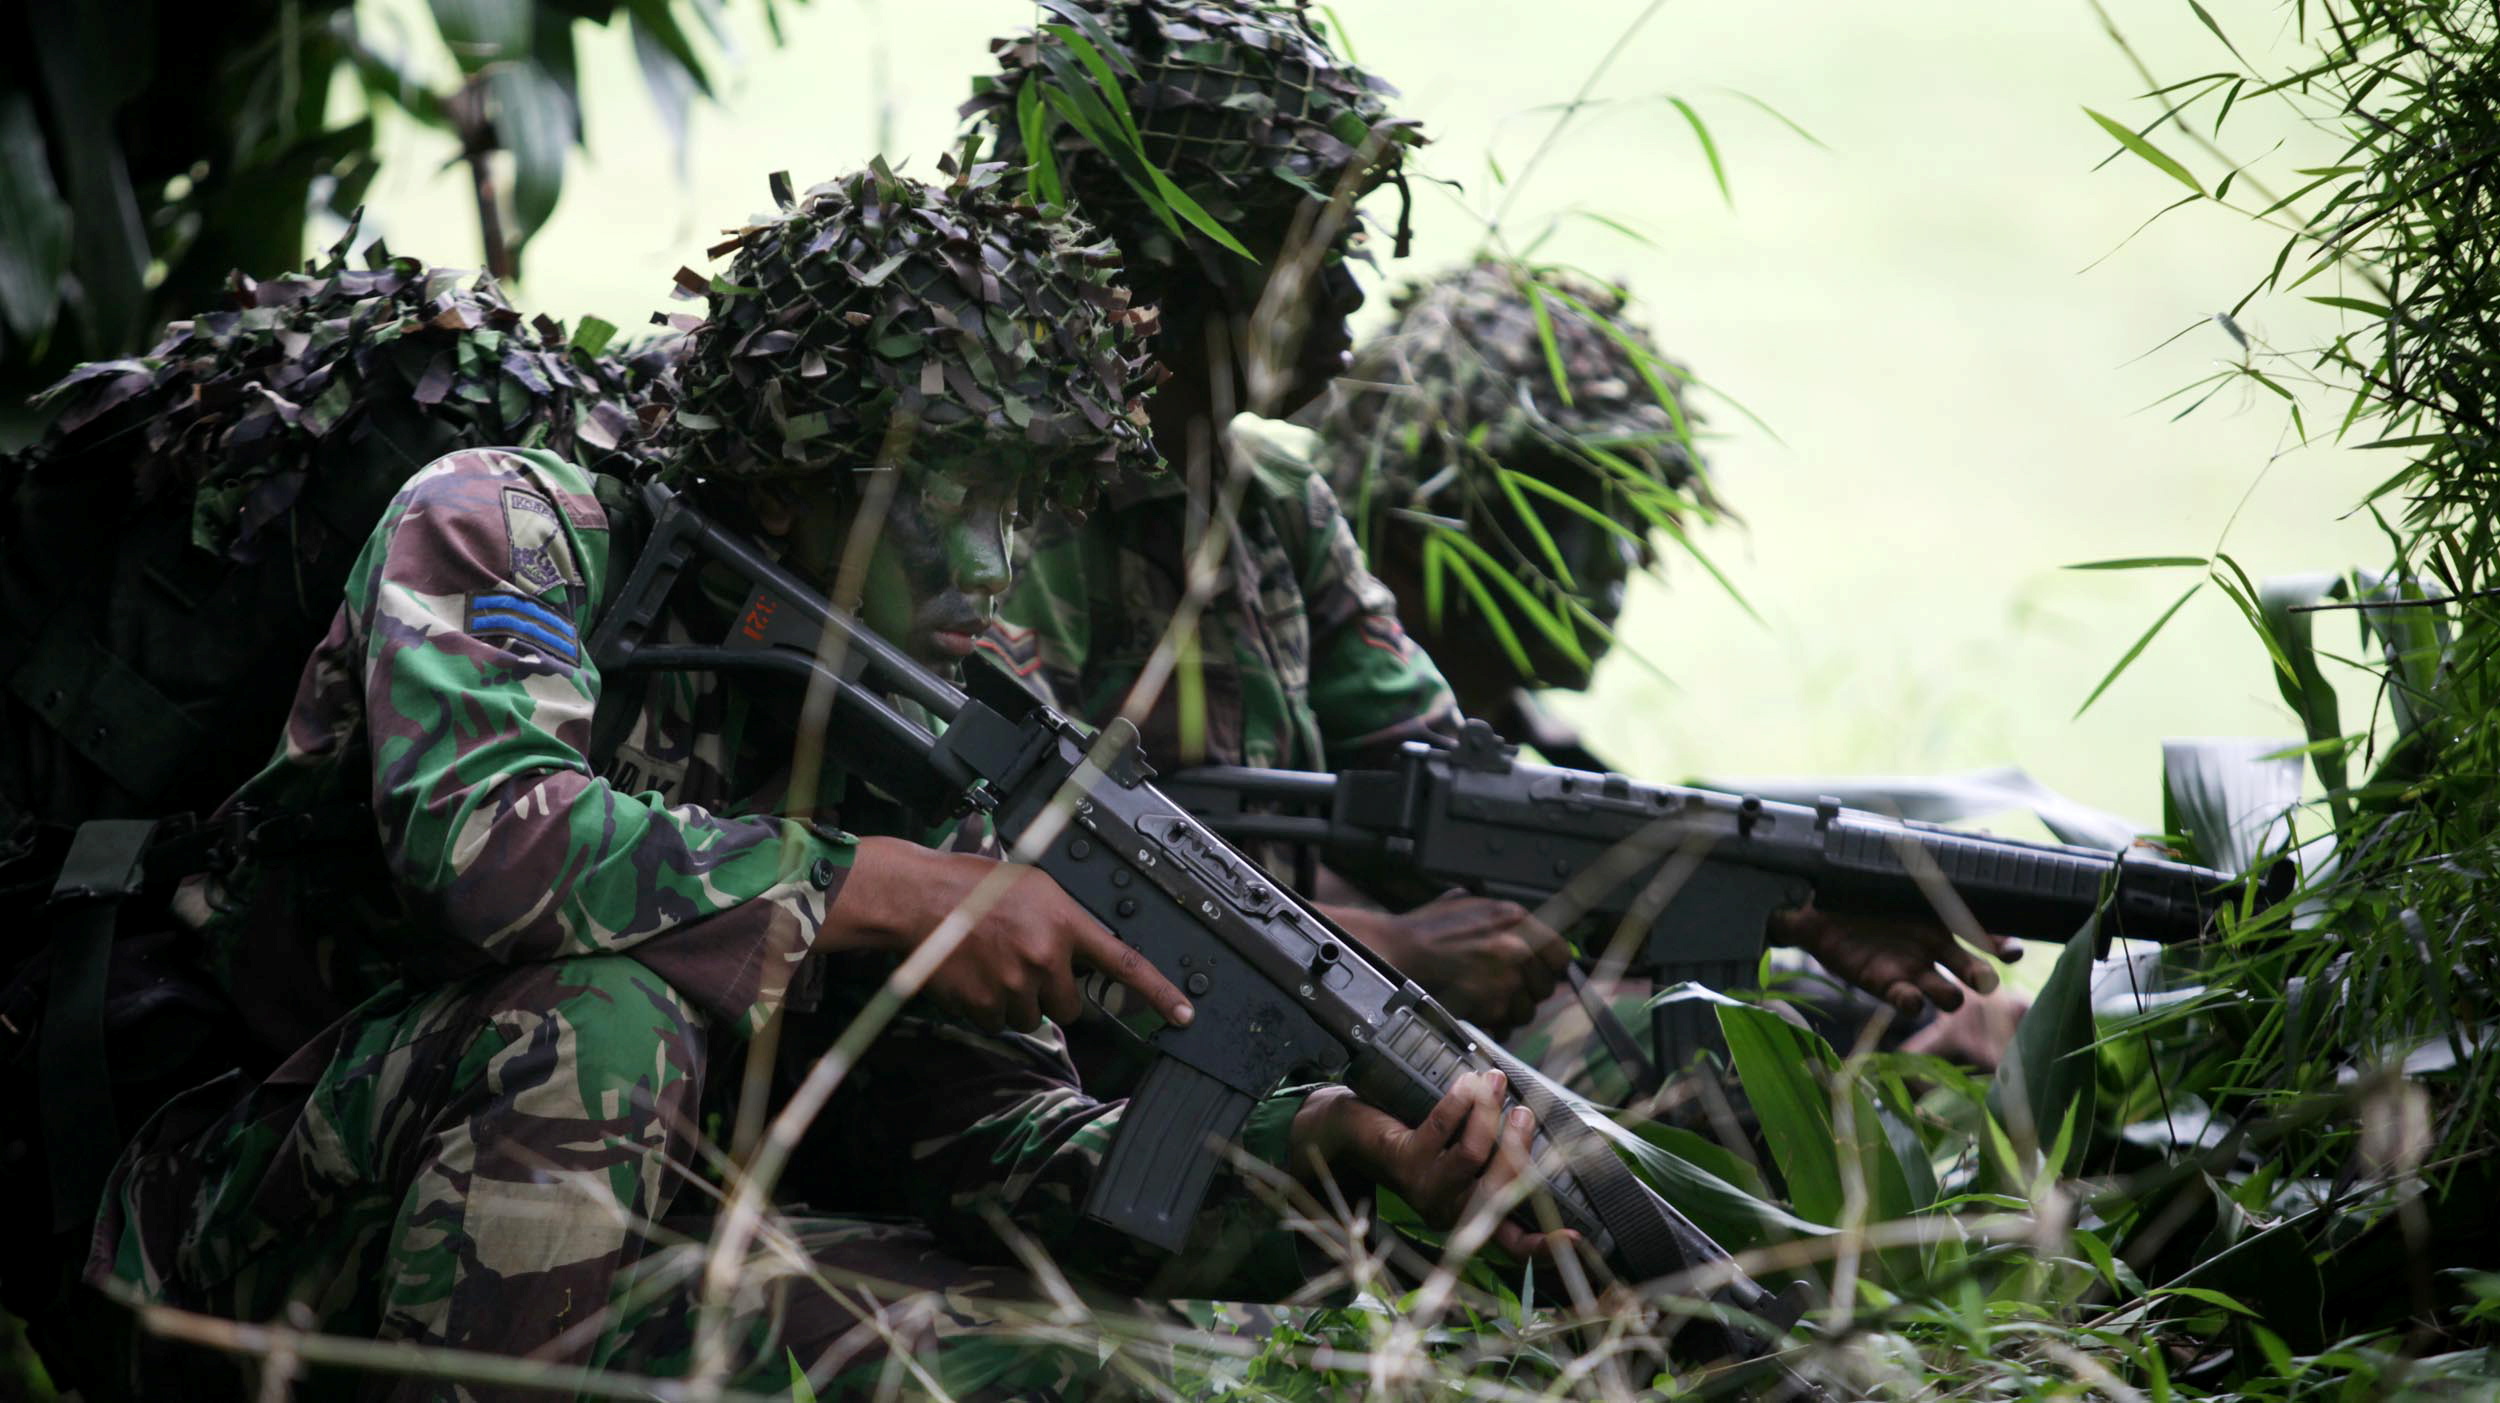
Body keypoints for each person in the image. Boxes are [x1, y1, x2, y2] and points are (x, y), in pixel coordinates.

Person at [82, 163, 1557, 1402]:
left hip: (656, 1243)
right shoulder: (515, 524)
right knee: (598, 1014)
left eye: (1026, 504)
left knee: (1094, 1366)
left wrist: (1313, 1157)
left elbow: (984, 1136)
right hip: (277, 1215)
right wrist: (883, 890)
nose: (989, 565)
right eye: (947, 499)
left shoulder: (925, 710)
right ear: (791, 474)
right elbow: (488, 839)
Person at [970, 3, 2015, 1061]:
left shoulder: (1270, 499)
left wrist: (1783, 899)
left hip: (1266, 1044)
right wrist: (1381, 946)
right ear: (1176, 265)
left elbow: (1463, 796)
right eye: (1308, 250)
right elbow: (1003, 880)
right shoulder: (1019, 523)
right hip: (1067, 1079)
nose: (1348, 293)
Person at [1315, 258, 2028, 1081]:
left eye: (1636, 517)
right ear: (1428, 518)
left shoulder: (1514, 731)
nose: (1624, 561)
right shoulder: (1306, 714)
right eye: (1579, 514)